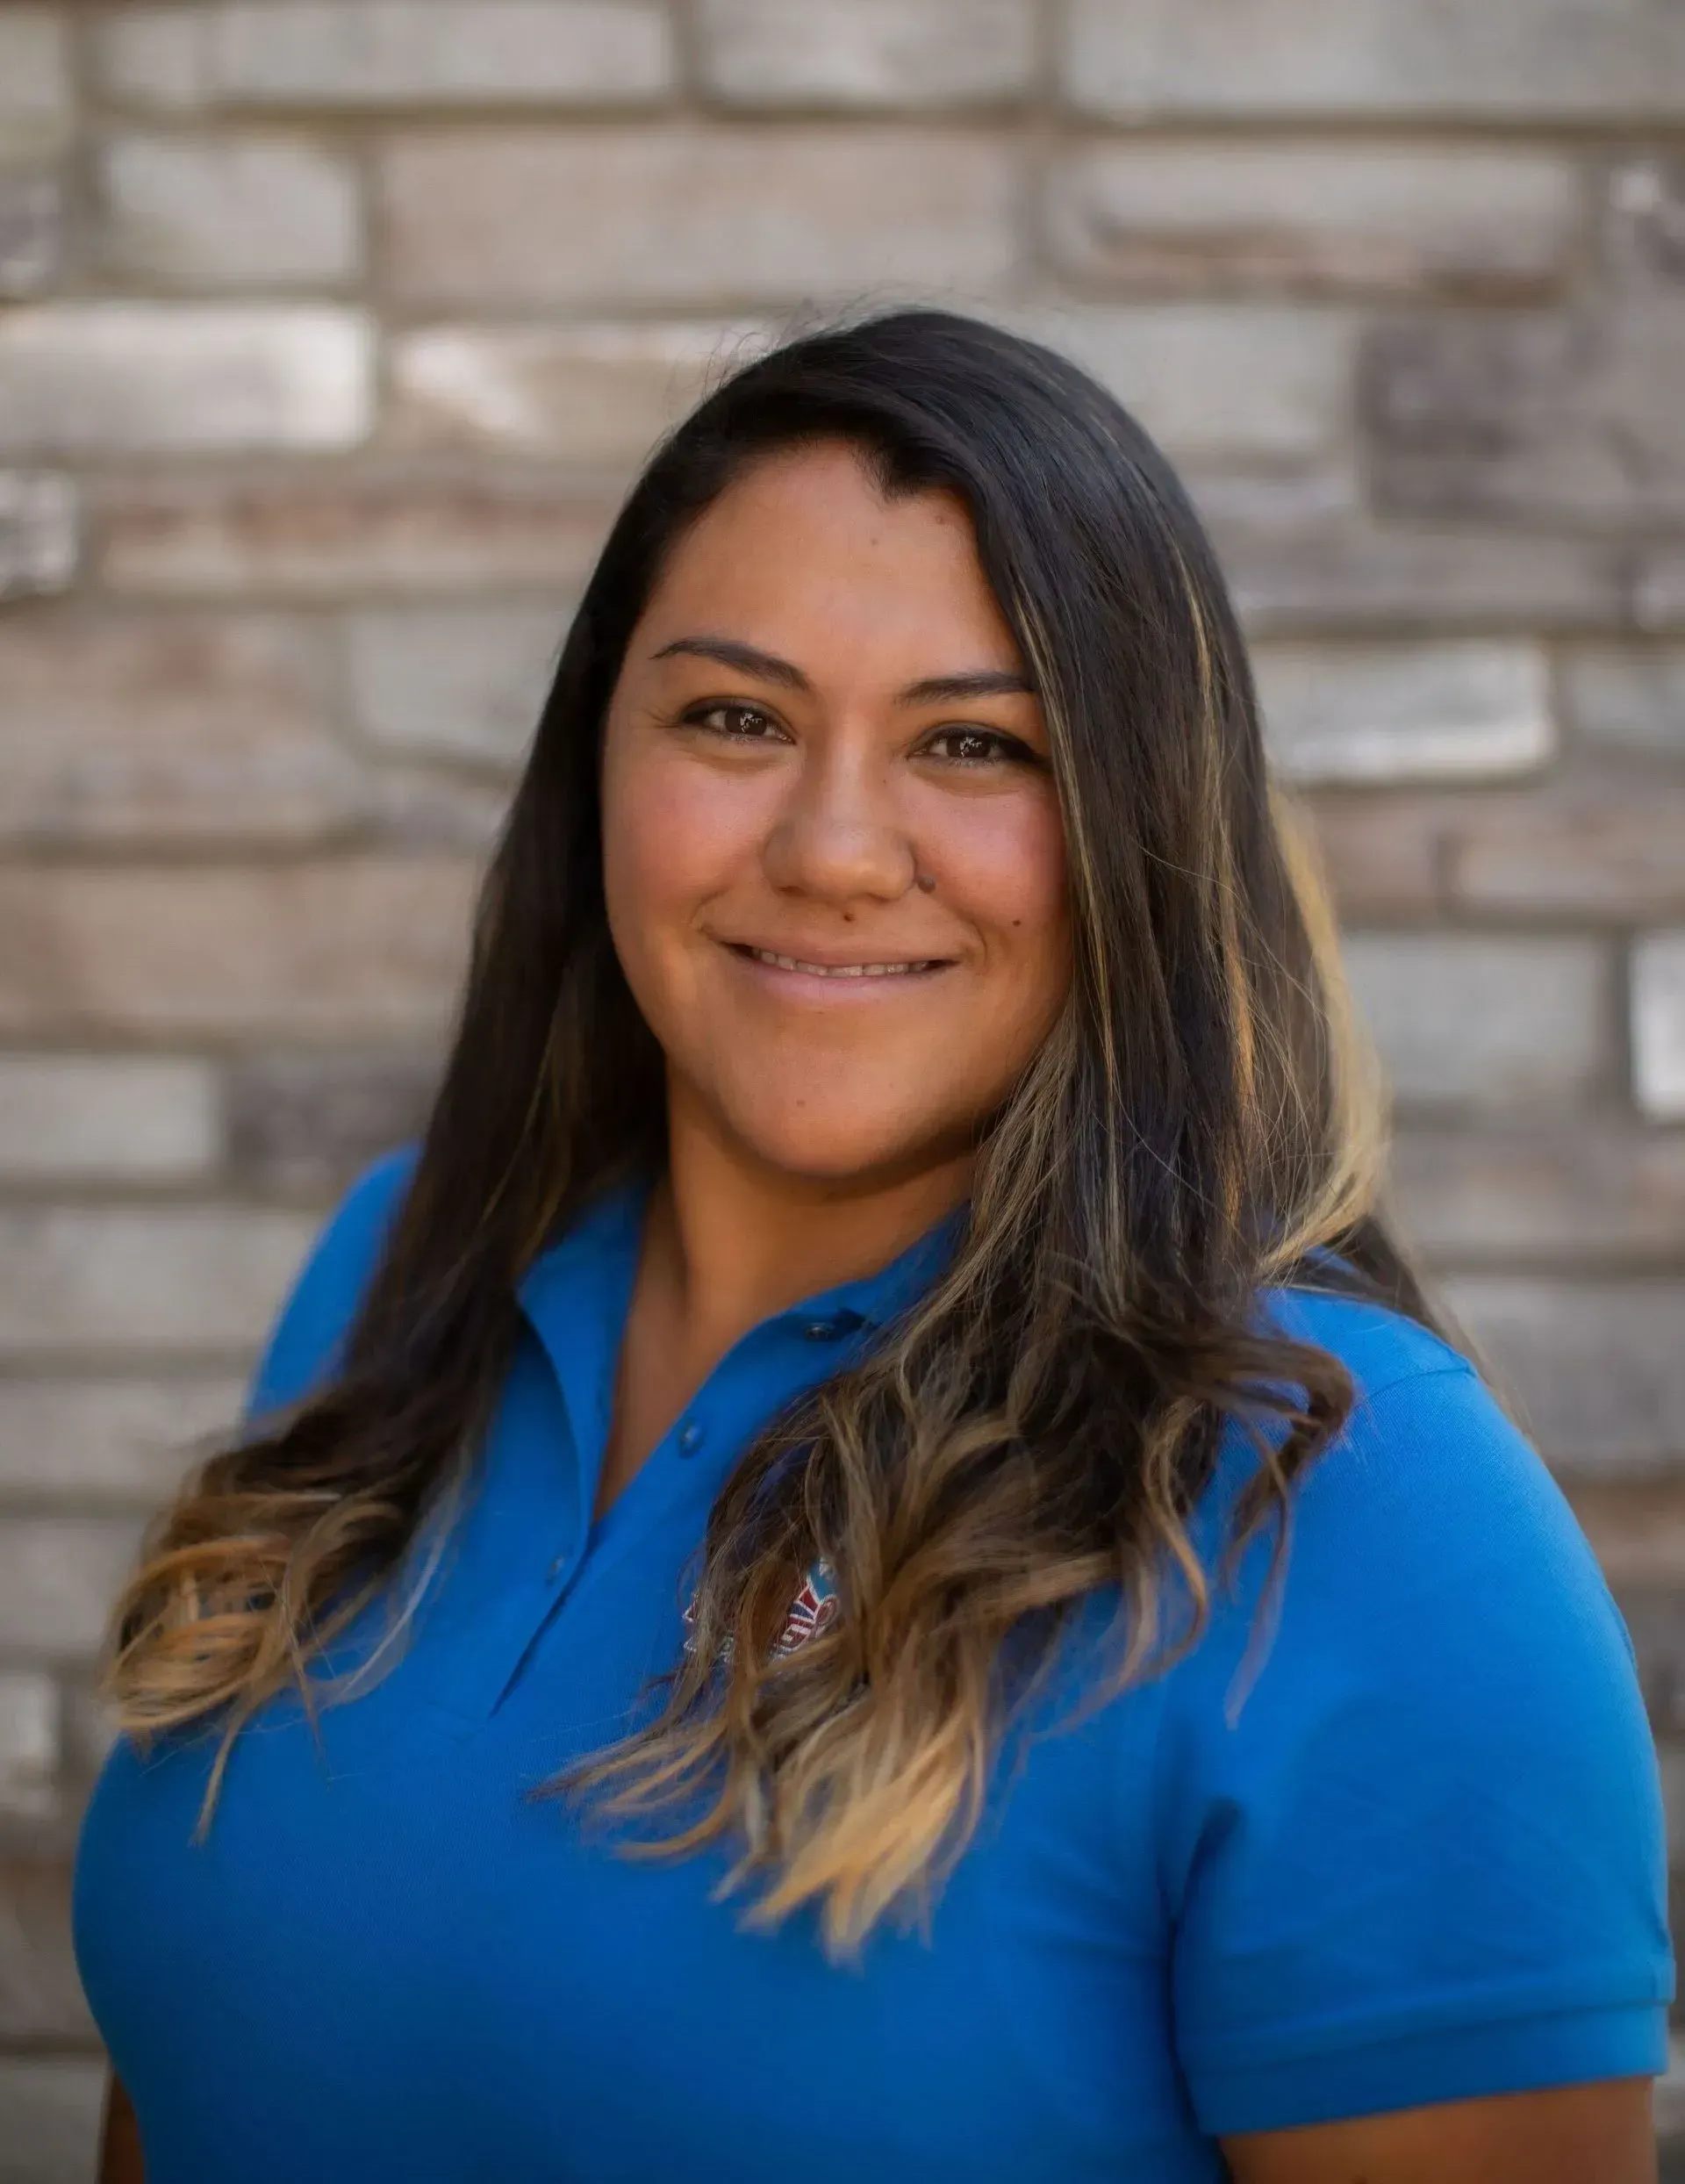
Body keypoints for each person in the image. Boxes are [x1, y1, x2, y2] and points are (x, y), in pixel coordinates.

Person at [72, 311, 1671, 2184]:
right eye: (736, 717)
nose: (836, 844)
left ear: (1139, 826)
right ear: (603, 762)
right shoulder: (398, 1264)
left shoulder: (1360, 1511)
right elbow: (191, 2070)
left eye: (975, 742)